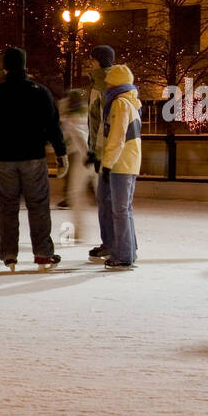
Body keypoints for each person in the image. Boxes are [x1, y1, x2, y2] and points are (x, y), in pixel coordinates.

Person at [0, 46, 67, 270]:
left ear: (4, 67)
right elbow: (53, 125)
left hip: (4, 158)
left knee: (7, 207)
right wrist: (61, 152)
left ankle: (9, 253)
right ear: (24, 65)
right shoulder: (40, 91)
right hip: (33, 156)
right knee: (39, 206)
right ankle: (43, 252)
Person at [99, 62, 143, 270]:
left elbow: (117, 137)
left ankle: (123, 255)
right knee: (125, 209)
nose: (106, 85)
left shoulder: (119, 103)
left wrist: (107, 165)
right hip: (129, 161)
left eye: (109, 82)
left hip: (121, 162)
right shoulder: (131, 102)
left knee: (119, 210)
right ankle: (129, 250)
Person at [86, 45, 115, 262]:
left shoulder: (105, 86)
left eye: (92, 59)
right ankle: (110, 242)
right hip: (104, 150)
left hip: (106, 152)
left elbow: (103, 124)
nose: (89, 62)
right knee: (106, 199)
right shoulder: (98, 84)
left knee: (108, 200)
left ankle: (111, 243)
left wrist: (96, 152)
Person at [58, 88, 93, 242]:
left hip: (82, 158)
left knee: (75, 193)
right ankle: (111, 233)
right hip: (96, 157)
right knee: (103, 195)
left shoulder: (70, 120)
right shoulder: (88, 114)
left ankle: (79, 230)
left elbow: (74, 138)